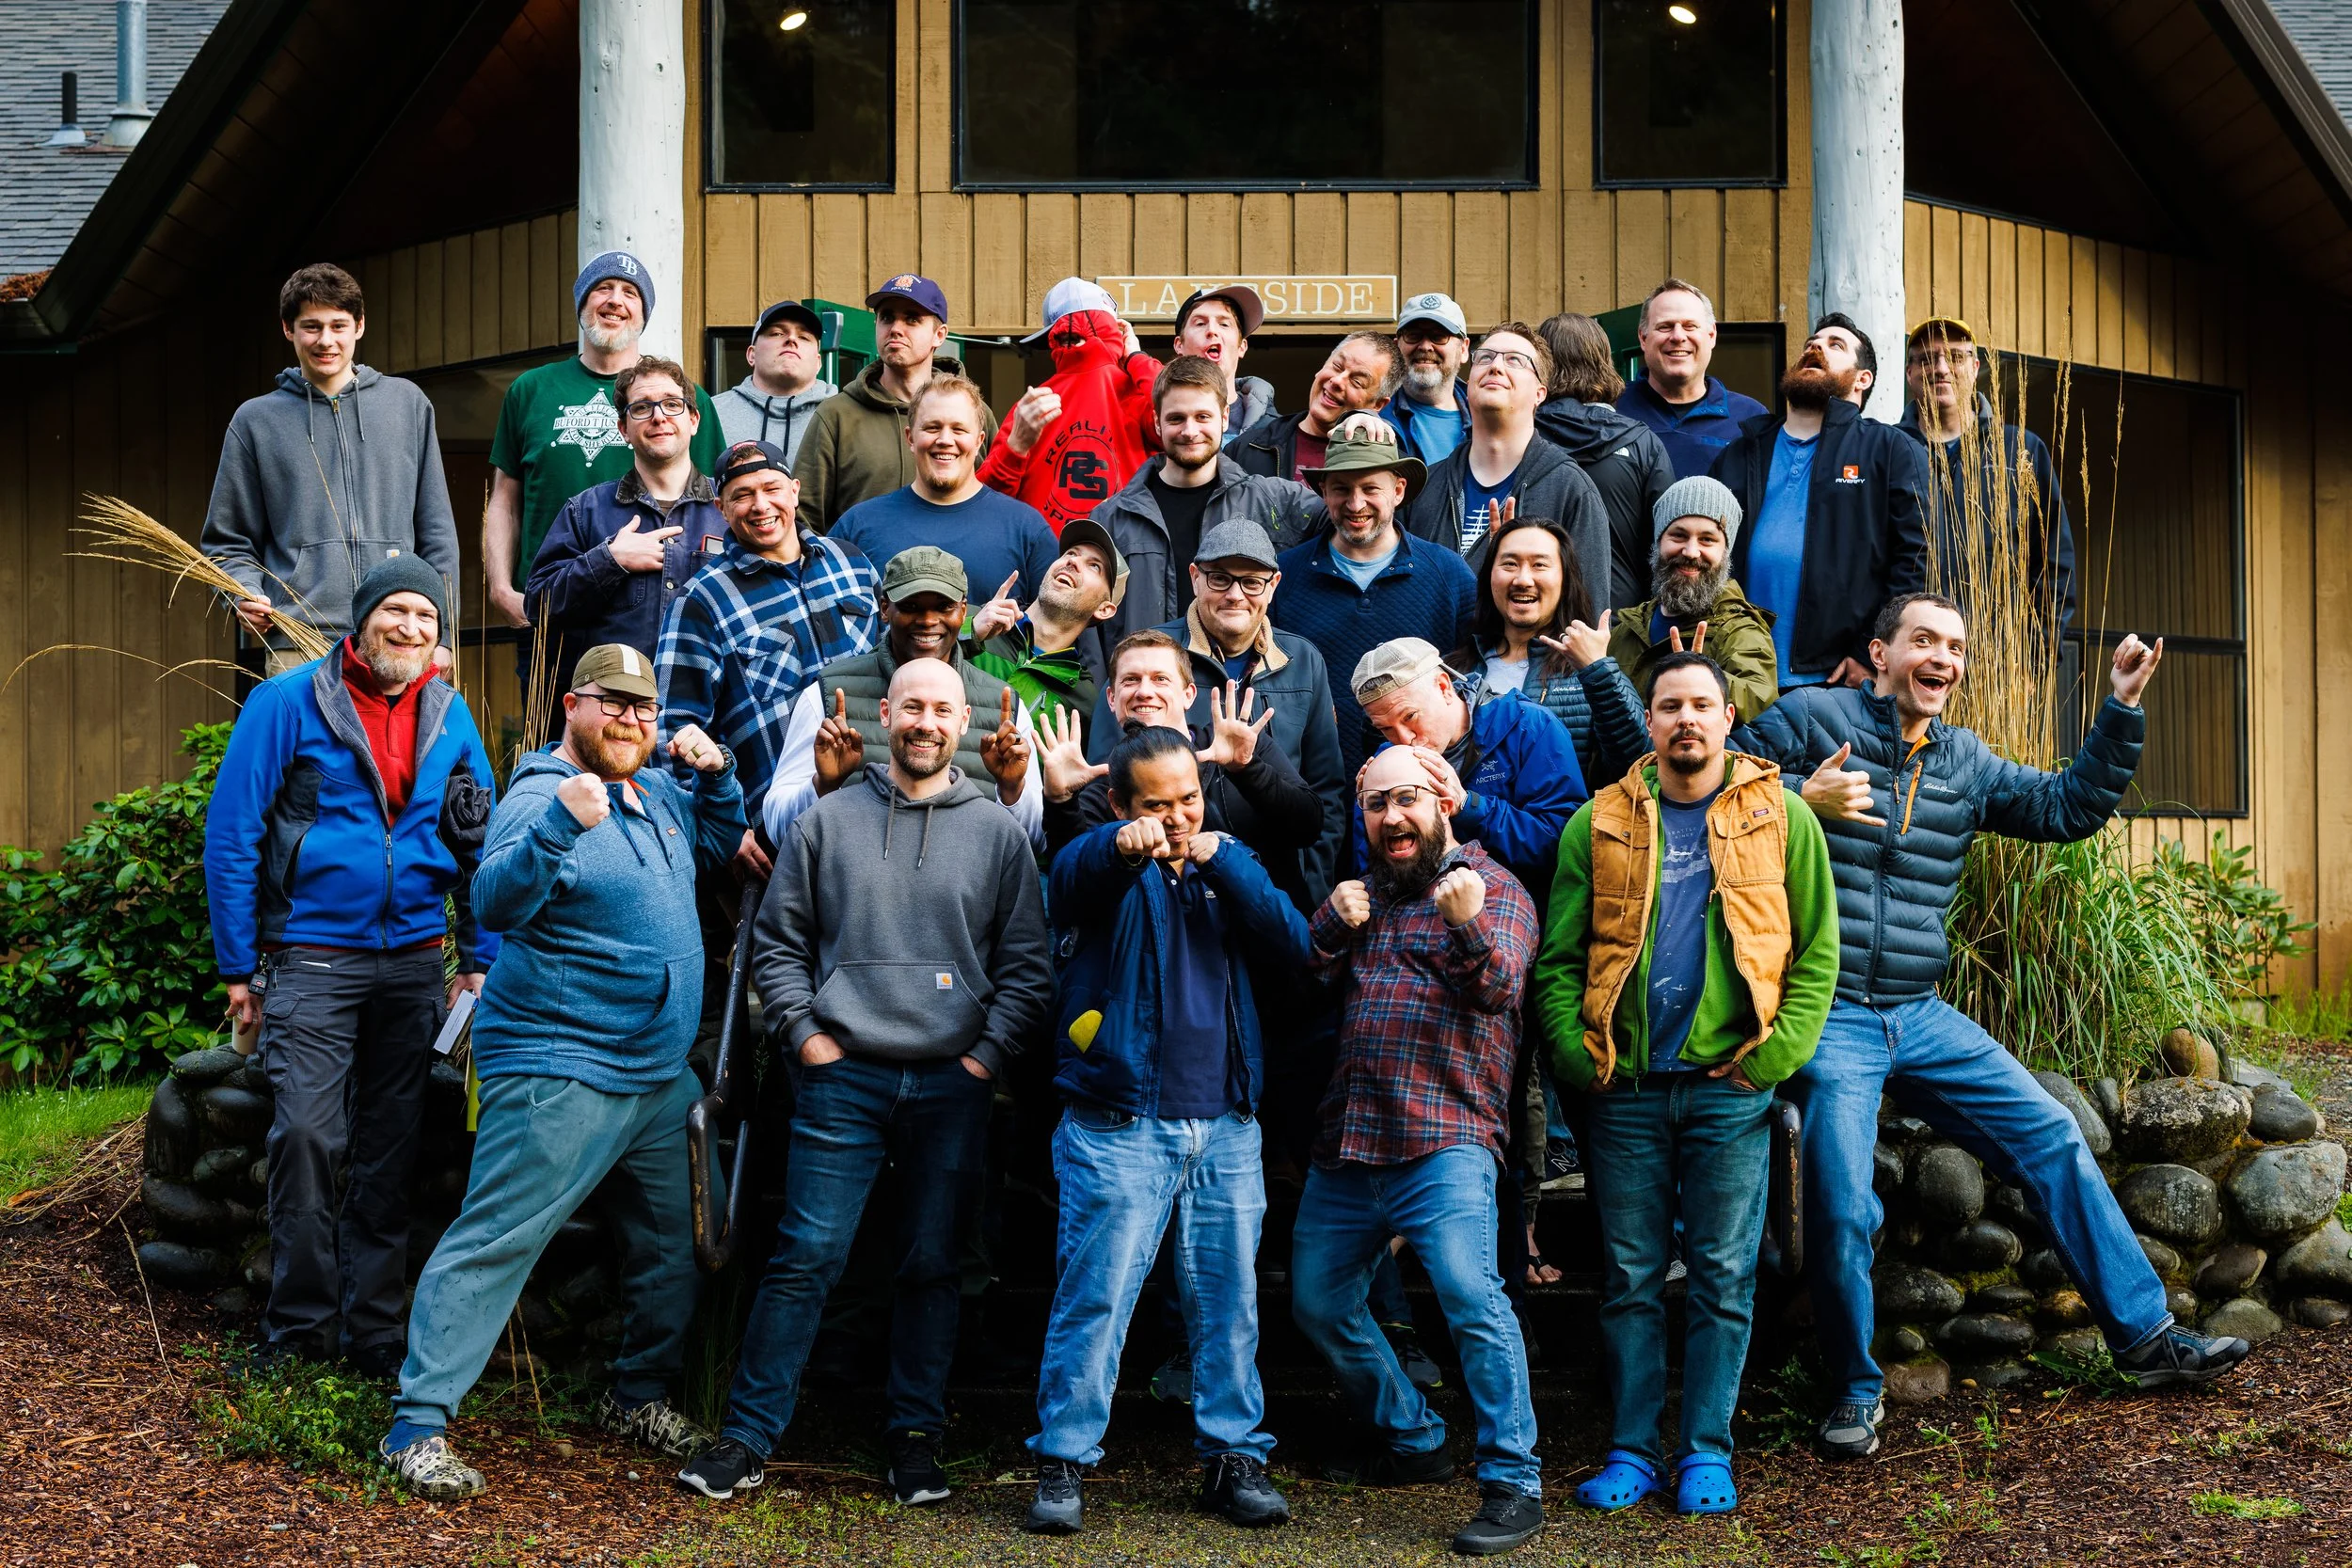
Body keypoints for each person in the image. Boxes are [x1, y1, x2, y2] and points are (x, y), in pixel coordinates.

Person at [1737, 593, 2250, 1462]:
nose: (1942, 658)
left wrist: (2119, 707)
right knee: (1837, 1198)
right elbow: (1702, 783)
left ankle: (2146, 1337)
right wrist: (1797, 793)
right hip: (1828, 1017)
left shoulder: (1965, 762)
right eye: (1923, 641)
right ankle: (1856, 1389)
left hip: (1921, 1011)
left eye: (1956, 647)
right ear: (1881, 652)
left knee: (2049, 1130)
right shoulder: (1812, 716)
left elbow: (2067, 809)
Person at [678, 658, 1056, 1506]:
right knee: (807, 1253)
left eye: (942, 710)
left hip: (952, 1079)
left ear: (964, 722)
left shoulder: (997, 832)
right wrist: (806, 1036)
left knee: (931, 1261)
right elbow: (775, 944)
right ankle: (747, 1433)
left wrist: (983, 1058)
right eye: (911, 706)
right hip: (841, 1075)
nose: (925, 722)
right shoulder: (828, 821)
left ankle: (916, 1435)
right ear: (886, 714)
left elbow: (1027, 968)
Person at [378, 644, 744, 1500]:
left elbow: (720, 843)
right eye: (611, 703)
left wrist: (716, 777)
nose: (629, 719)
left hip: (657, 1075)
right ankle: (417, 1425)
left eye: (643, 708)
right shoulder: (542, 795)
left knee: (686, 1237)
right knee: (496, 1238)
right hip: (562, 1066)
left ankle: (638, 1396)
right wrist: (558, 827)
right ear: (573, 707)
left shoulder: (654, 791)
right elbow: (496, 901)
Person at [1534, 653, 1838, 1518]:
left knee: (1721, 1274)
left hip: (1729, 1087)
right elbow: (1558, 959)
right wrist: (1573, 1053)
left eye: (1702, 703)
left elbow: (1815, 955)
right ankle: (1631, 1448)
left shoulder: (1782, 817)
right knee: (1630, 1276)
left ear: (1727, 717)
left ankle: (1706, 1449)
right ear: (1652, 720)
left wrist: (1770, 1062)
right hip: (1624, 1090)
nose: (1686, 720)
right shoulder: (1597, 822)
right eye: (1670, 705)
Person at [202, 557, 494, 1375]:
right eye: (395, 611)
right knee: (304, 1135)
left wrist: (477, 956)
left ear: (440, 638)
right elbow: (233, 835)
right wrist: (237, 964)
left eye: (426, 618)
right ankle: (298, 1331)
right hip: (311, 960)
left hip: (410, 965)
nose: (410, 628)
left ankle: (374, 1335)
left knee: (390, 1148)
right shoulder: (287, 701)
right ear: (361, 622)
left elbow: (481, 839)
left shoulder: (449, 713)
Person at [1024, 727, 1314, 1536]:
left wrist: (1221, 858)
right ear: (1121, 802)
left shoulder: (1229, 861)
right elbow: (1067, 884)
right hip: (1118, 1124)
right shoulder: (1102, 862)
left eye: (1189, 796)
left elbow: (1297, 944)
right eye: (1157, 803)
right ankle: (1063, 1461)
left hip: (1226, 1124)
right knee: (1097, 1299)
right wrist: (1121, 845)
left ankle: (1233, 1458)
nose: (1178, 815)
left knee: (1229, 1304)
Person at [1291, 746, 1545, 1559]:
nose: (1392, 818)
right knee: (1319, 1301)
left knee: (1474, 1297)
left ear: (1442, 801)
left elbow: (1501, 988)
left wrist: (1466, 919)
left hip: (1446, 1141)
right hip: (1351, 1140)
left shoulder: (1492, 886)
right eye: (1376, 804)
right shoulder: (1371, 895)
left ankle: (1514, 1482)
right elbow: (1305, 976)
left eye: (1408, 799)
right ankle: (1414, 1437)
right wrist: (1332, 918)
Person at [203, 263, 461, 670]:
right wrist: (242, 594)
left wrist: (443, 634)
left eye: (338, 326)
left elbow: (437, 532)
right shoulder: (255, 421)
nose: (326, 341)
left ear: (359, 326)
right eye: (312, 327)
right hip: (300, 642)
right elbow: (228, 541)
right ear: (288, 329)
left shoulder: (407, 405)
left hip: (401, 640)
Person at [656, 438, 880, 876]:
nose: (760, 505)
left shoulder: (851, 562)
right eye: (742, 495)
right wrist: (721, 827)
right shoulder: (701, 601)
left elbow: (900, 662)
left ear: (794, 490)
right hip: (780, 841)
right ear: (721, 509)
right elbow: (672, 732)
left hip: (880, 810)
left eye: (771, 488)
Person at [485, 252, 726, 631]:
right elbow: (504, 501)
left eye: (631, 293)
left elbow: (715, 505)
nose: (615, 300)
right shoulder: (530, 389)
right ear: (582, 305)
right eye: (603, 288)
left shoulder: (685, 400)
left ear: (644, 315)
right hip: (553, 605)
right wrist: (500, 587)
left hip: (657, 608)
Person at [1118, 517, 1347, 910]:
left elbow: (1326, 789)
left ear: (1272, 586)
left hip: (1277, 890)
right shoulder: (1151, 657)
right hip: (1175, 887)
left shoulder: (1304, 660)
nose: (1235, 595)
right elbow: (1116, 766)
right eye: (1220, 579)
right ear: (1195, 578)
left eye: (1252, 582)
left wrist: (1311, 881)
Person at [762, 546, 1041, 847]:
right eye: (911, 606)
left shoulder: (1004, 707)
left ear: (963, 611)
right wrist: (823, 785)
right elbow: (778, 830)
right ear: (884, 608)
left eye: (943, 607)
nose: (927, 620)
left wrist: (1011, 789)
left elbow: (1033, 840)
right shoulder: (830, 693)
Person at [1709, 318, 1929, 690]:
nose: (1815, 347)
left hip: (1836, 679)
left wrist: (1868, 652)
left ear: (1862, 379)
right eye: (1811, 342)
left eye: (1836, 345)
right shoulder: (1740, 453)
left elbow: (1914, 562)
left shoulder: (1890, 450)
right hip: (1737, 675)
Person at [1083, 356, 1323, 666]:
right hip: (1145, 696)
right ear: (1157, 421)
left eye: (1202, 417)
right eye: (1176, 419)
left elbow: (1350, 514)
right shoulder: (1110, 520)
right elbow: (1086, 628)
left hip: (1239, 694)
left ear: (1224, 417)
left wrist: (1365, 420)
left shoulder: (1269, 500)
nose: (1189, 430)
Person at [1269, 421, 1478, 775]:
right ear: (1323, 491)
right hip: (1309, 785)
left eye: (1370, 488)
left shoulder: (1447, 573)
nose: (1355, 503)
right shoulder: (1284, 577)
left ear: (1398, 491)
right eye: (1341, 489)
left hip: (1421, 785)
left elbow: (1474, 679)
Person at [1037, 630, 1323, 883]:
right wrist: (1061, 802)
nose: (1144, 692)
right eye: (1131, 680)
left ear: (1189, 695)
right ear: (1112, 698)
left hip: (1259, 934)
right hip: (1163, 937)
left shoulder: (1243, 745)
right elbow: (1072, 877)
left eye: (1160, 679)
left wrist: (1247, 769)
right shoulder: (1110, 778)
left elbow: (1308, 827)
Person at [525, 356, 726, 696]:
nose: (659, 416)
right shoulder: (585, 511)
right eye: (642, 408)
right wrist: (610, 560)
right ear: (623, 429)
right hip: (614, 713)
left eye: (672, 404)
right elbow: (538, 607)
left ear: (694, 420)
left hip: (706, 714)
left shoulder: (730, 510)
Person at [1348, 638, 1584, 901]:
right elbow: (1369, 873)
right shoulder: (1386, 758)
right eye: (1385, 728)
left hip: (1510, 913)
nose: (1404, 739)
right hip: (1415, 924)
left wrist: (1468, 806)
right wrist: (1371, 809)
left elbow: (1562, 844)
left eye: (1410, 717)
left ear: (1444, 687)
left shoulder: (1529, 728)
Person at [1896, 316, 2076, 635]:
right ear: (1910, 373)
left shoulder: (2020, 449)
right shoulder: (1888, 451)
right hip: (1906, 658)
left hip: (1998, 663)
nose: (1941, 368)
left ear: (1975, 367)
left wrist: (2036, 658)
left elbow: (2054, 565)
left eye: (1955, 357)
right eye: (1927, 359)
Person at [1453, 515, 1649, 786]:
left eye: (1539, 565)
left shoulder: (1589, 670)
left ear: (1565, 580)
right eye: (1509, 564)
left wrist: (1599, 672)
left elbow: (1639, 762)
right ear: (1489, 576)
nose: (1523, 579)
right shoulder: (1456, 671)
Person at [792, 274, 998, 533]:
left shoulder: (971, 413)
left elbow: (999, 501)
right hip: (864, 571)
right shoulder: (836, 416)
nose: (896, 329)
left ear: (939, 335)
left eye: (912, 319)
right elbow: (803, 518)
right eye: (887, 317)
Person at [830, 375, 1060, 607]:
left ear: (979, 441)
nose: (945, 440)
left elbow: (1055, 627)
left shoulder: (1026, 530)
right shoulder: (858, 527)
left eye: (959, 430)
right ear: (910, 438)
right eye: (933, 427)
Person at [1403, 325, 1608, 578]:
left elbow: (1588, 608)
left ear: (1539, 393)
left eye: (1515, 360)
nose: (1495, 366)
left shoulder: (1570, 490)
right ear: (1468, 384)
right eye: (1485, 357)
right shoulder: (1424, 487)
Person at [980, 278, 1161, 533]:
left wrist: (1014, 449)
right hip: (1126, 557)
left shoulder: (1032, 405)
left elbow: (985, 499)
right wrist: (1137, 357)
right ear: (1117, 331)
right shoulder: (1139, 394)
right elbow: (1183, 414)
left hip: (1047, 563)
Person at [1604, 476, 1779, 724]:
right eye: (1678, 536)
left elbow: (1760, 702)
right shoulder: (1628, 628)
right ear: (1658, 542)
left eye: (1707, 539)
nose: (1691, 552)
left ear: (1725, 553)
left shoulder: (1740, 629)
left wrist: (1702, 676)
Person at [1534, 310, 1677, 609]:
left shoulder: (1519, 437)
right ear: (1603, 361)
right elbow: (1667, 542)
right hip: (1616, 621)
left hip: (1531, 611)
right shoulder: (1642, 442)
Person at [963, 518, 1127, 723]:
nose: (1073, 561)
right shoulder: (966, 618)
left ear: (1104, 609)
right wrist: (967, 633)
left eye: (1094, 566)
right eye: (1071, 553)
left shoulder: (1084, 702)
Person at [1616, 278, 1770, 480]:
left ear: (1711, 335)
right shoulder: (1613, 408)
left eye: (1690, 326)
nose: (1678, 336)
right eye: (1665, 326)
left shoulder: (1751, 418)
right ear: (1643, 338)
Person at [1231, 330, 1402, 483]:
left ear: (1378, 404)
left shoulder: (1392, 470)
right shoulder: (1247, 448)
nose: (1337, 381)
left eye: (1357, 381)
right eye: (1337, 367)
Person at [716, 299, 836, 467]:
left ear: (818, 363)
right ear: (752, 355)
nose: (792, 339)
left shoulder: (842, 415)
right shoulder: (714, 413)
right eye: (777, 333)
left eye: (804, 337)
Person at [1169, 284, 1274, 440]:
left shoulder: (1277, 431)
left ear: (1242, 347)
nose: (1212, 330)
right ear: (1179, 345)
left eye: (1224, 324)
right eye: (1200, 323)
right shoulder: (1156, 425)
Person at [1382, 292, 1473, 464]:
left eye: (1438, 337)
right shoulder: (1375, 415)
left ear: (1463, 349)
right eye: (1414, 336)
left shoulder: (1488, 417)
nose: (1425, 347)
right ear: (1396, 348)